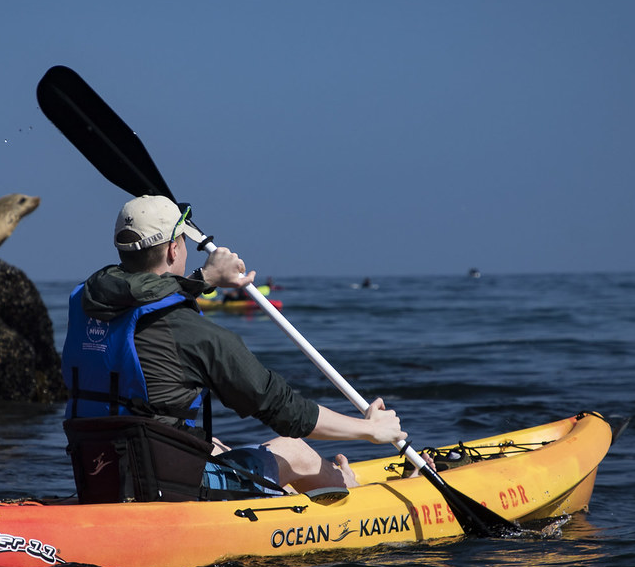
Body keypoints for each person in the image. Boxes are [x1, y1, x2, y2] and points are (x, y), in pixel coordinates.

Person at [63, 195, 423, 497]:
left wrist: (205, 279)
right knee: (294, 450)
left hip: (102, 476)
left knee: (216, 445)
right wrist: (372, 430)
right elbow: (286, 410)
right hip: (169, 492)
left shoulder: (87, 305)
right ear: (174, 249)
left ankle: (293, 493)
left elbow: (142, 292)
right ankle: (350, 488)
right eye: (183, 243)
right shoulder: (193, 334)